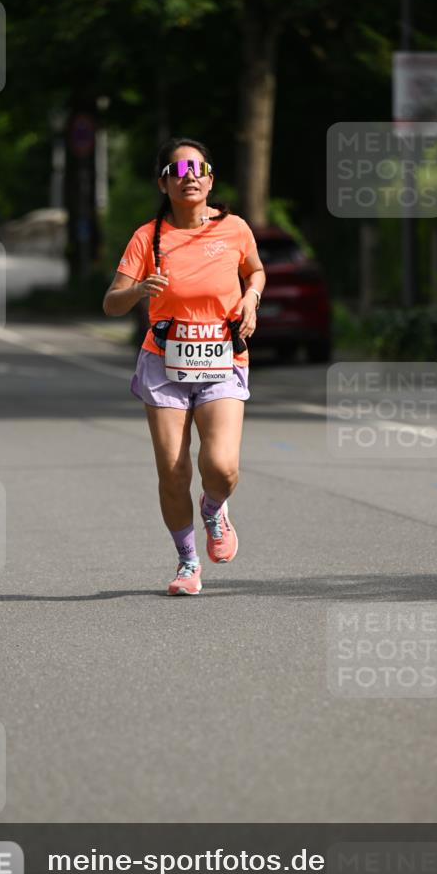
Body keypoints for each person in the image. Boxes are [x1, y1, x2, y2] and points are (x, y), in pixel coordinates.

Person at [103, 137, 265, 595]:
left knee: (222, 467)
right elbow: (111, 303)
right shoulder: (148, 237)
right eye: (177, 171)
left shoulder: (234, 228)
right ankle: (188, 562)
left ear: (210, 180)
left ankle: (213, 508)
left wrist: (251, 298)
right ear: (163, 183)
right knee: (173, 472)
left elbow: (255, 270)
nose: (188, 177)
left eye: (198, 169)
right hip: (164, 362)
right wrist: (139, 290)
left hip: (222, 356)